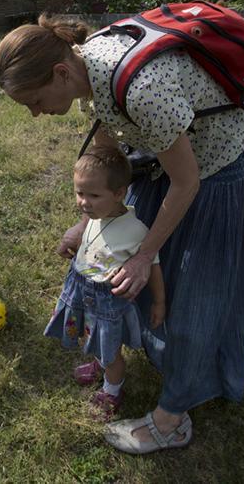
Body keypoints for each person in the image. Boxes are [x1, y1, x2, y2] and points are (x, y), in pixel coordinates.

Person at [0, 13, 244, 454]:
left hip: (214, 167)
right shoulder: (86, 69)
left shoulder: (141, 90)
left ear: (61, 72)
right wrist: (86, 221)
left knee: (193, 287)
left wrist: (143, 254)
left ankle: (172, 419)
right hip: (165, 162)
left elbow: (187, 182)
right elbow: (107, 142)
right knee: (160, 273)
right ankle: (162, 359)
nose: (36, 114)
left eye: (34, 102)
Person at [44, 146, 165, 419]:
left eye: (93, 195)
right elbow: (91, 244)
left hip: (108, 304)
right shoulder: (96, 216)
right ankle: (99, 364)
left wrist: (159, 301)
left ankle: (112, 389)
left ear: (119, 193)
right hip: (83, 293)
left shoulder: (136, 229)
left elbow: (153, 266)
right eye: (79, 193)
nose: (84, 203)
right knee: (92, 338)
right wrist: (72, 243)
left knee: (111, 352)